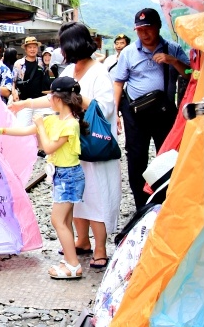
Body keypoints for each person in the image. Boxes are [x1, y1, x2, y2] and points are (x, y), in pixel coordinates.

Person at [13, 21, 122, 269]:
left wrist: (74, 94)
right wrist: (25, 104)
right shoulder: (69, 70)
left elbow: (104, 109)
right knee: (78, 197)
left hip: (94, 146)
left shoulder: (100, 72)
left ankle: (101, 249)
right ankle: (82, 241)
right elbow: (54, 98)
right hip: (73, 147)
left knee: (97, 196)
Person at [0, 74, 87, 279]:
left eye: (51, 96)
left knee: (57, 220)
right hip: (60, 175)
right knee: (65, 220)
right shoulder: (53, 119)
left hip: (69, 176)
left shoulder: (70, 124)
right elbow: (25, 131)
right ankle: (69, 260)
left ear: (60, 99)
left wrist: (41, 127)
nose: (49, 100)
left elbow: (49, 147)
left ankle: (73, 265)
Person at [113, 8, 189, 212]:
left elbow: (192, 73)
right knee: (136, 157)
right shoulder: (128, 52)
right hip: (135, 113)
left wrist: (173, 61)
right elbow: (118, 82)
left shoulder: (172, 48)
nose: (144, 33)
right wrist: (115, 113)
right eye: (139, 30)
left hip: (164, 112)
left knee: (167, 156)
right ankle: (141, 206)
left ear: (158, 27)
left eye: (148, 28)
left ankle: (166, 201)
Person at [11, 36, 51, 125]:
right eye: (30, 47)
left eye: (34, 47)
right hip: (24, 102)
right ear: (25, 49)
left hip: (40, 102)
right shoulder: (19, 64)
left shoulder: (42, 62)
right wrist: (14, 92)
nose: (32, 49)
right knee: (22, 128)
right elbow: (13, 81)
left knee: (39, 130)